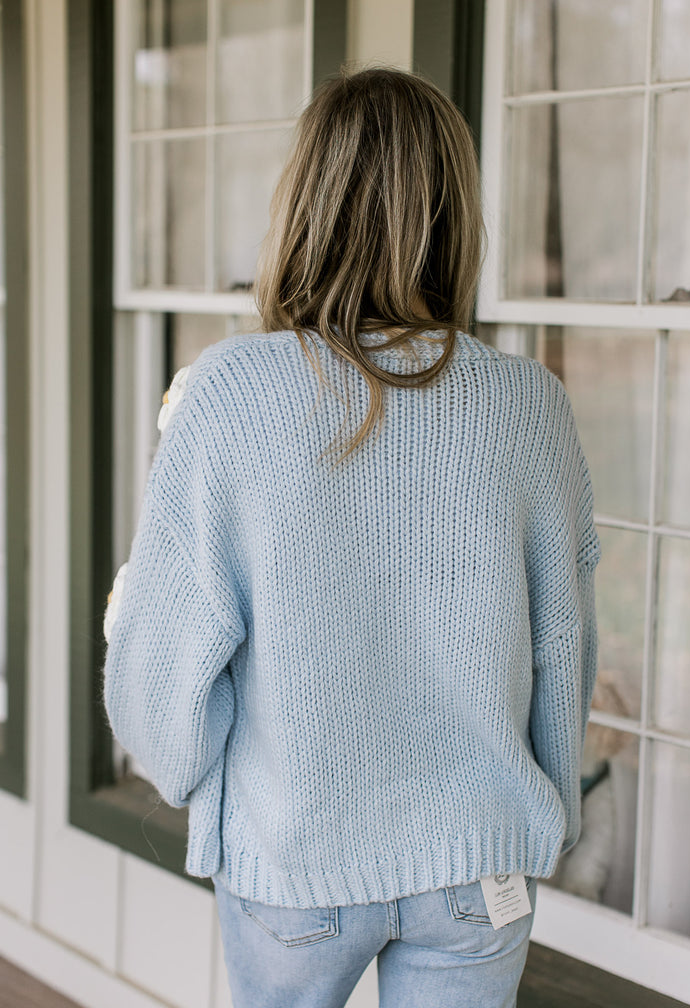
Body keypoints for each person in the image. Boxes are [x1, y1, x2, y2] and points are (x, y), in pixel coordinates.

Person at [104, 67, 600, 1008]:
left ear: (302, 205)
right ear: (457, 217)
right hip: (478, 866)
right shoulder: (529, 405)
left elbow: (160, 684)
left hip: (293, 857)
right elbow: (565, 647)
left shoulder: (230, 396)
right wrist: (550, 822)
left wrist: (203, 785)